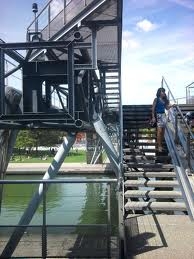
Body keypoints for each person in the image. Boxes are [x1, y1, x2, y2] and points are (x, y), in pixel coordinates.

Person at [151, 87, 172, 152]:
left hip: (163, 115)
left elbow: (167, 108)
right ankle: (159, 146)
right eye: (162, 91)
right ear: (159, 92)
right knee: (159, 131)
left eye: (164, 92)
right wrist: (153, 117)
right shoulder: (156, 99)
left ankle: (160, 145)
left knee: (163, 132)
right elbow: (153, 109)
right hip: (158, 115)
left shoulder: (164, 100)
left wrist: (171, 105)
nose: (164, 93)